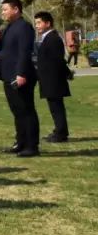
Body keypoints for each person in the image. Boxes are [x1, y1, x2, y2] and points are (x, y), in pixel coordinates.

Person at [0, 0, 40, 157]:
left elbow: (24, 52)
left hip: (20, 76)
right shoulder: (9, 27)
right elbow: (5, 49)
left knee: (26, 110)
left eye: (5, 9)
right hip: (8, 75)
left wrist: (21, 73)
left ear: (16, 9)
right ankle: (20, 142)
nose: (3, 13)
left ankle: (31, 146)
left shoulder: (24, 27)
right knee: (17, 111)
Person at [34, 11, 71, 143]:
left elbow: (58, 61)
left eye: (39, 23)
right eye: (36, 23)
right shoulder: (47, 38)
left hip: (53, 80)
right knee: (54, 107)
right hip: (49, 80)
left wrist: (64, 74)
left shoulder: (53, 38)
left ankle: (61, 133)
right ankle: (59, 130)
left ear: (48, 23)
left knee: (57, 107)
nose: (37, 26)